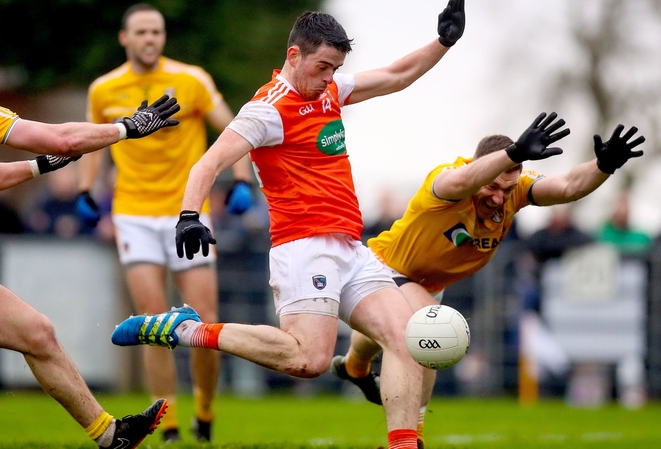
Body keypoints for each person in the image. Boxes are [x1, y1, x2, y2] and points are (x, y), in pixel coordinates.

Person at [112, 3, 467, 449]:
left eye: (335, 68)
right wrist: (189, 215)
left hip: (350, 247)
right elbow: (208, 162)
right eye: (322, 67)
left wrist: (444, 42)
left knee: (406, 337)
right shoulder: (266, 110)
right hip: (303, 248)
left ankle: (402, 444)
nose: (328, 77)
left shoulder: (330, 89)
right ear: (294, 56)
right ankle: (184, 329)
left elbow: (396, 75)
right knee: (309, 360)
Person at [0, 47, 181, 449]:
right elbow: (63, 137)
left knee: (37, 332)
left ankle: (112, 436)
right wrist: (128, 127)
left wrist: (40, 166)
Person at [328, 114, 645, 448]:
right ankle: (411, 439)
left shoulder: (514, 190)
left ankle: (355, 367)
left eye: (507, 189)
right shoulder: (449, 178)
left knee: (387, 335)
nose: (498, 198)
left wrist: (603, 165)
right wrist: (511, 155)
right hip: (387, 265)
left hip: (429, 281)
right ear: (481, 166)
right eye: (492, 186)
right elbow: (462, 181)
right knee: (428, 331)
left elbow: (566, 186)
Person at [76, 3, 253, 443]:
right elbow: (94, 143)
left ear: (163, 36)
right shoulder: (104, 89)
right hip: (133, 214)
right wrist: (85, 191)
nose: (149, 38)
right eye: (141, 32)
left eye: (156, 31)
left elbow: (234, 129)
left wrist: (241, 179)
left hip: (186, 214)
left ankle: (206, 412)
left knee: (205, 320)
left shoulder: (191, 79)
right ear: (125, 38)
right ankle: (168, 422)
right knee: (154, 321)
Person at [596, 191, 652, 256]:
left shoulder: (641, 237)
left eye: (625, 206)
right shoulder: (602, 234)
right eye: (619, 207)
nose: (622, 211)